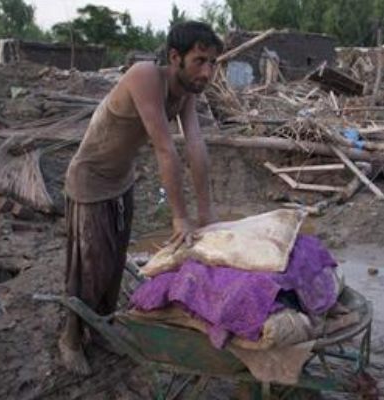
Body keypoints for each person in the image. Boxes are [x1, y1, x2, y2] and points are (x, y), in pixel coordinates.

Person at [59, 21, 223, 375]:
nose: (208, 72)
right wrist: (180, 217)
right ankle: (70, 339)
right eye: (200, 61)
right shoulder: (145, 76)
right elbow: (165, 148)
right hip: (89, 179)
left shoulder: (187, 94)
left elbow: (195, 146)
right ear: (175, 57)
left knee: (114, 263)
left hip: (120, 180)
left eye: (213, 62)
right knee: (89, 268)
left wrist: (207, 213)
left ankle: (101, 328)